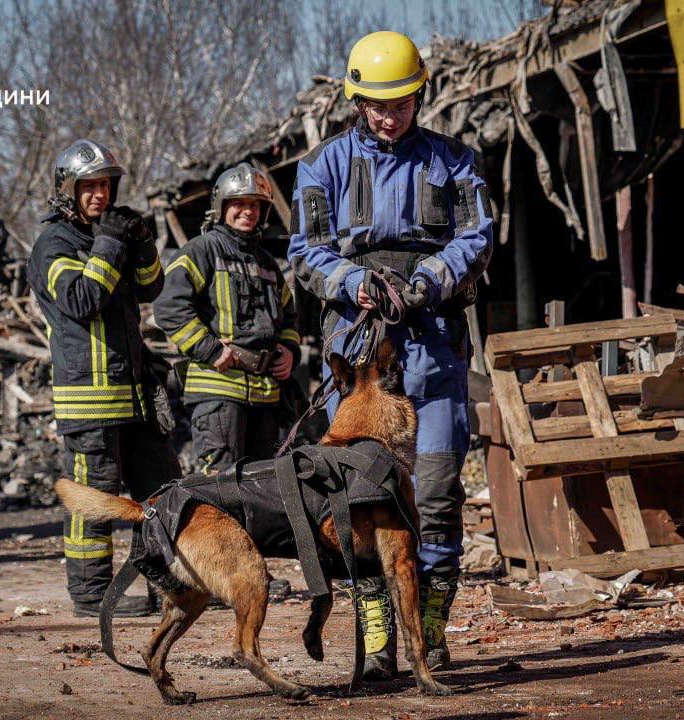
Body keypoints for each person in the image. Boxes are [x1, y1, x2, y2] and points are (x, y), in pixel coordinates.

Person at [287, 31, 493, 677]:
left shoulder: (455, 161)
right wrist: (355, 283)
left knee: (434, 498)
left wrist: (429, 279)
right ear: (356, 100)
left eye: (401, 102)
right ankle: (378, 643)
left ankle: (429, 633)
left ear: (418, 95)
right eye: (377, 104)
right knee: (359, 501)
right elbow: (305, 251)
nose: (389, 115)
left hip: (433, 356)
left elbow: (478, 237)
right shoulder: (322, 165)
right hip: (358, 362)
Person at [28, 139, 182, 618]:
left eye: (105, 185)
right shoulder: (53, 245)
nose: (99, 195)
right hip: (89, 402)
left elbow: (151, 287)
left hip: (134, 395)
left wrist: (141, 242)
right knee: (95, 501)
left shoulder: (106, 234)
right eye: (88, 186)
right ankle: (92, 594)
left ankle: (169, 580)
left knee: (161, 490)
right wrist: (111, 243)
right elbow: (79, 300)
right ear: (67, 190)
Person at [154, 163, 299, 473]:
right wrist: (210, 350)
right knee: (222, 487)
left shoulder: (268, 265)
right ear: (221, 207)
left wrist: (290, 351)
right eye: (239, 203)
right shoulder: (200, 251)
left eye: (254, 205)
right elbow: (168, 306)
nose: (247, 211)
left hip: (265, 395)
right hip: (218, 393)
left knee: (263, 488)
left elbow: (289, 318)